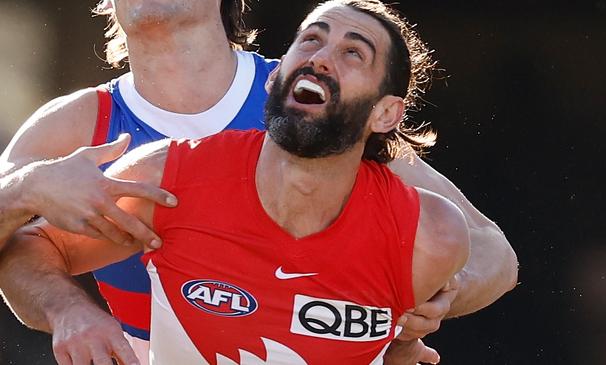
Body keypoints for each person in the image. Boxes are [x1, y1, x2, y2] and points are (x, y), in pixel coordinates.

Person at [0, 0, 517, 363]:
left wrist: (434, 300)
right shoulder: (74, 125)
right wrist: (26, 195)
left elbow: (493, 252)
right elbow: (21, 251)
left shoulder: (313, 102)